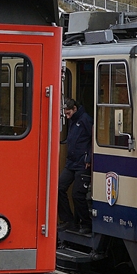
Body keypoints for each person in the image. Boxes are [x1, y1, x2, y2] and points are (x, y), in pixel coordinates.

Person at [58, 98, 93, 232]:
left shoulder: (85, 120)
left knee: (77, 195)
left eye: (68, 113)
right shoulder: (74, 120)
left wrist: (88, 158)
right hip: (72, 162)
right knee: (59, 188)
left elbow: (94, 139)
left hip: (82, 163)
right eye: (65, 114)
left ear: (75, 109)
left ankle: (86, 223)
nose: (67, 117)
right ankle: (68, 220)